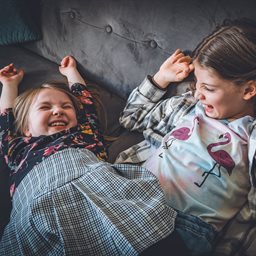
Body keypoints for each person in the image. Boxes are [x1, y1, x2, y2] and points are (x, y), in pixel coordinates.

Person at [0, 56, 181, 255]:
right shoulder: (18, 148)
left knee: (141, 231)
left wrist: (71, 73)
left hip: (95, 185)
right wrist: (9, 84)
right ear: (25, 127)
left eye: (66, 106)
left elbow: (85, 100)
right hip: (37, 199)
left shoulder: (85, 133)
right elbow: (6, 118)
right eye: (45, 107)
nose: (58, 111)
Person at [115, 18, 256, 255]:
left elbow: (250, 213)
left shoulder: (249, 137)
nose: (198, 93)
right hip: (134, 193)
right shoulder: (187, 106)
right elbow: (130, 118)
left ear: (249, 90)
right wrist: (161, 78)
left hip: (184, 226)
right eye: (196, 83)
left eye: (209, 88)